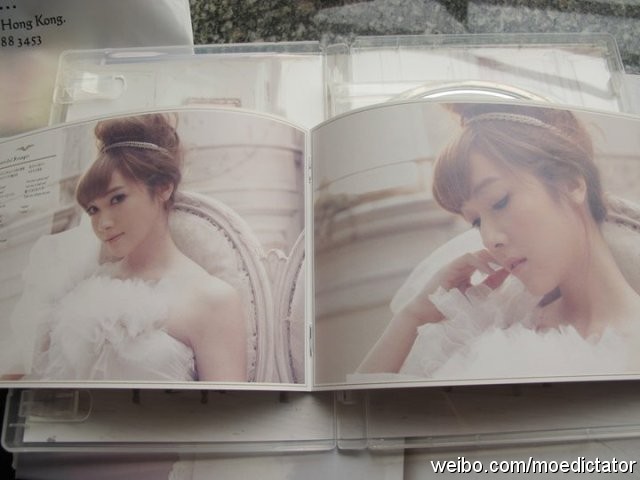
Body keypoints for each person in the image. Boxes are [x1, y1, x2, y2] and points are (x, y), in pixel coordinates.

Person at [357, 103, 640, 379]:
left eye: (500, 201)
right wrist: (414, 315)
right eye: (476, 222)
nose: (490, 240)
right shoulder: (495, 323)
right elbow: (356, 406)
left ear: (571, 183)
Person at [27, 113, 248, 382]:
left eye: (117, 199)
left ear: (164, 188)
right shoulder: (85, 287)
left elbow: (226, 406)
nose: (103, 224)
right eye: (93, 209)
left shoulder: (213, 300)